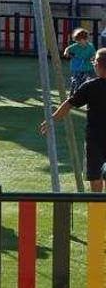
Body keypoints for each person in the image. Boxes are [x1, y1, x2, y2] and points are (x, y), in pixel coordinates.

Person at [41, 48, 106, 192]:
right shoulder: (90, 86)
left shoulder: (91, 86)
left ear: (99, 65)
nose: (93, 64)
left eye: (94, 61)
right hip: (96, 138)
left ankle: (97, 211)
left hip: (95, 138)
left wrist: (52, 119)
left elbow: (69, 104)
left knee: (95, 175)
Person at [64, 27, 96, 95]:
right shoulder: (75, 46)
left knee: (92, 80)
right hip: (78, 68)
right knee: (76, 81)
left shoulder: (90, 46)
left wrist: (92, 57)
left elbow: (94, 54)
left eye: (80, 41)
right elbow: (67, 49)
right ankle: (72, 94)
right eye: (77, 41)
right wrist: (66, 52)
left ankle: (90, 94)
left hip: (89, 67)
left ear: (85, 39)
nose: (78, 42)